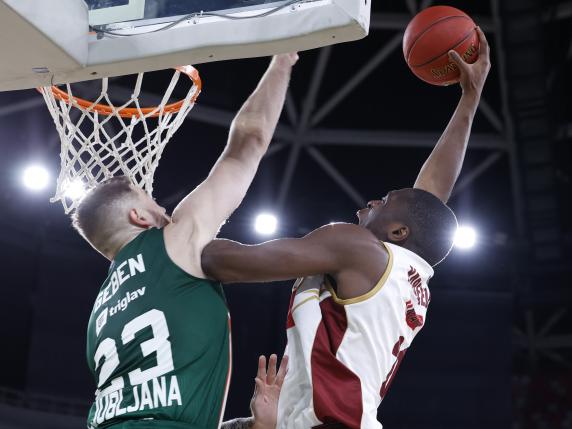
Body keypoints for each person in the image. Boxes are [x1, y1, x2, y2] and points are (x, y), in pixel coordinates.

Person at [201, 28, 491, 429]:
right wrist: (470, 98)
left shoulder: (354, 246)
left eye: (384, 202)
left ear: (399, 232)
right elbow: (431, 197)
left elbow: (227, 264)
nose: (372, 201)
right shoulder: (409, 273)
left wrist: (178, 233)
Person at [72, 53, 298, 429]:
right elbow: (248, 142)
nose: (164, 208)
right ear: (139, 217)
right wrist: (282, 62)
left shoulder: (100, 315)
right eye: (153, 201)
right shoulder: (173, 240)